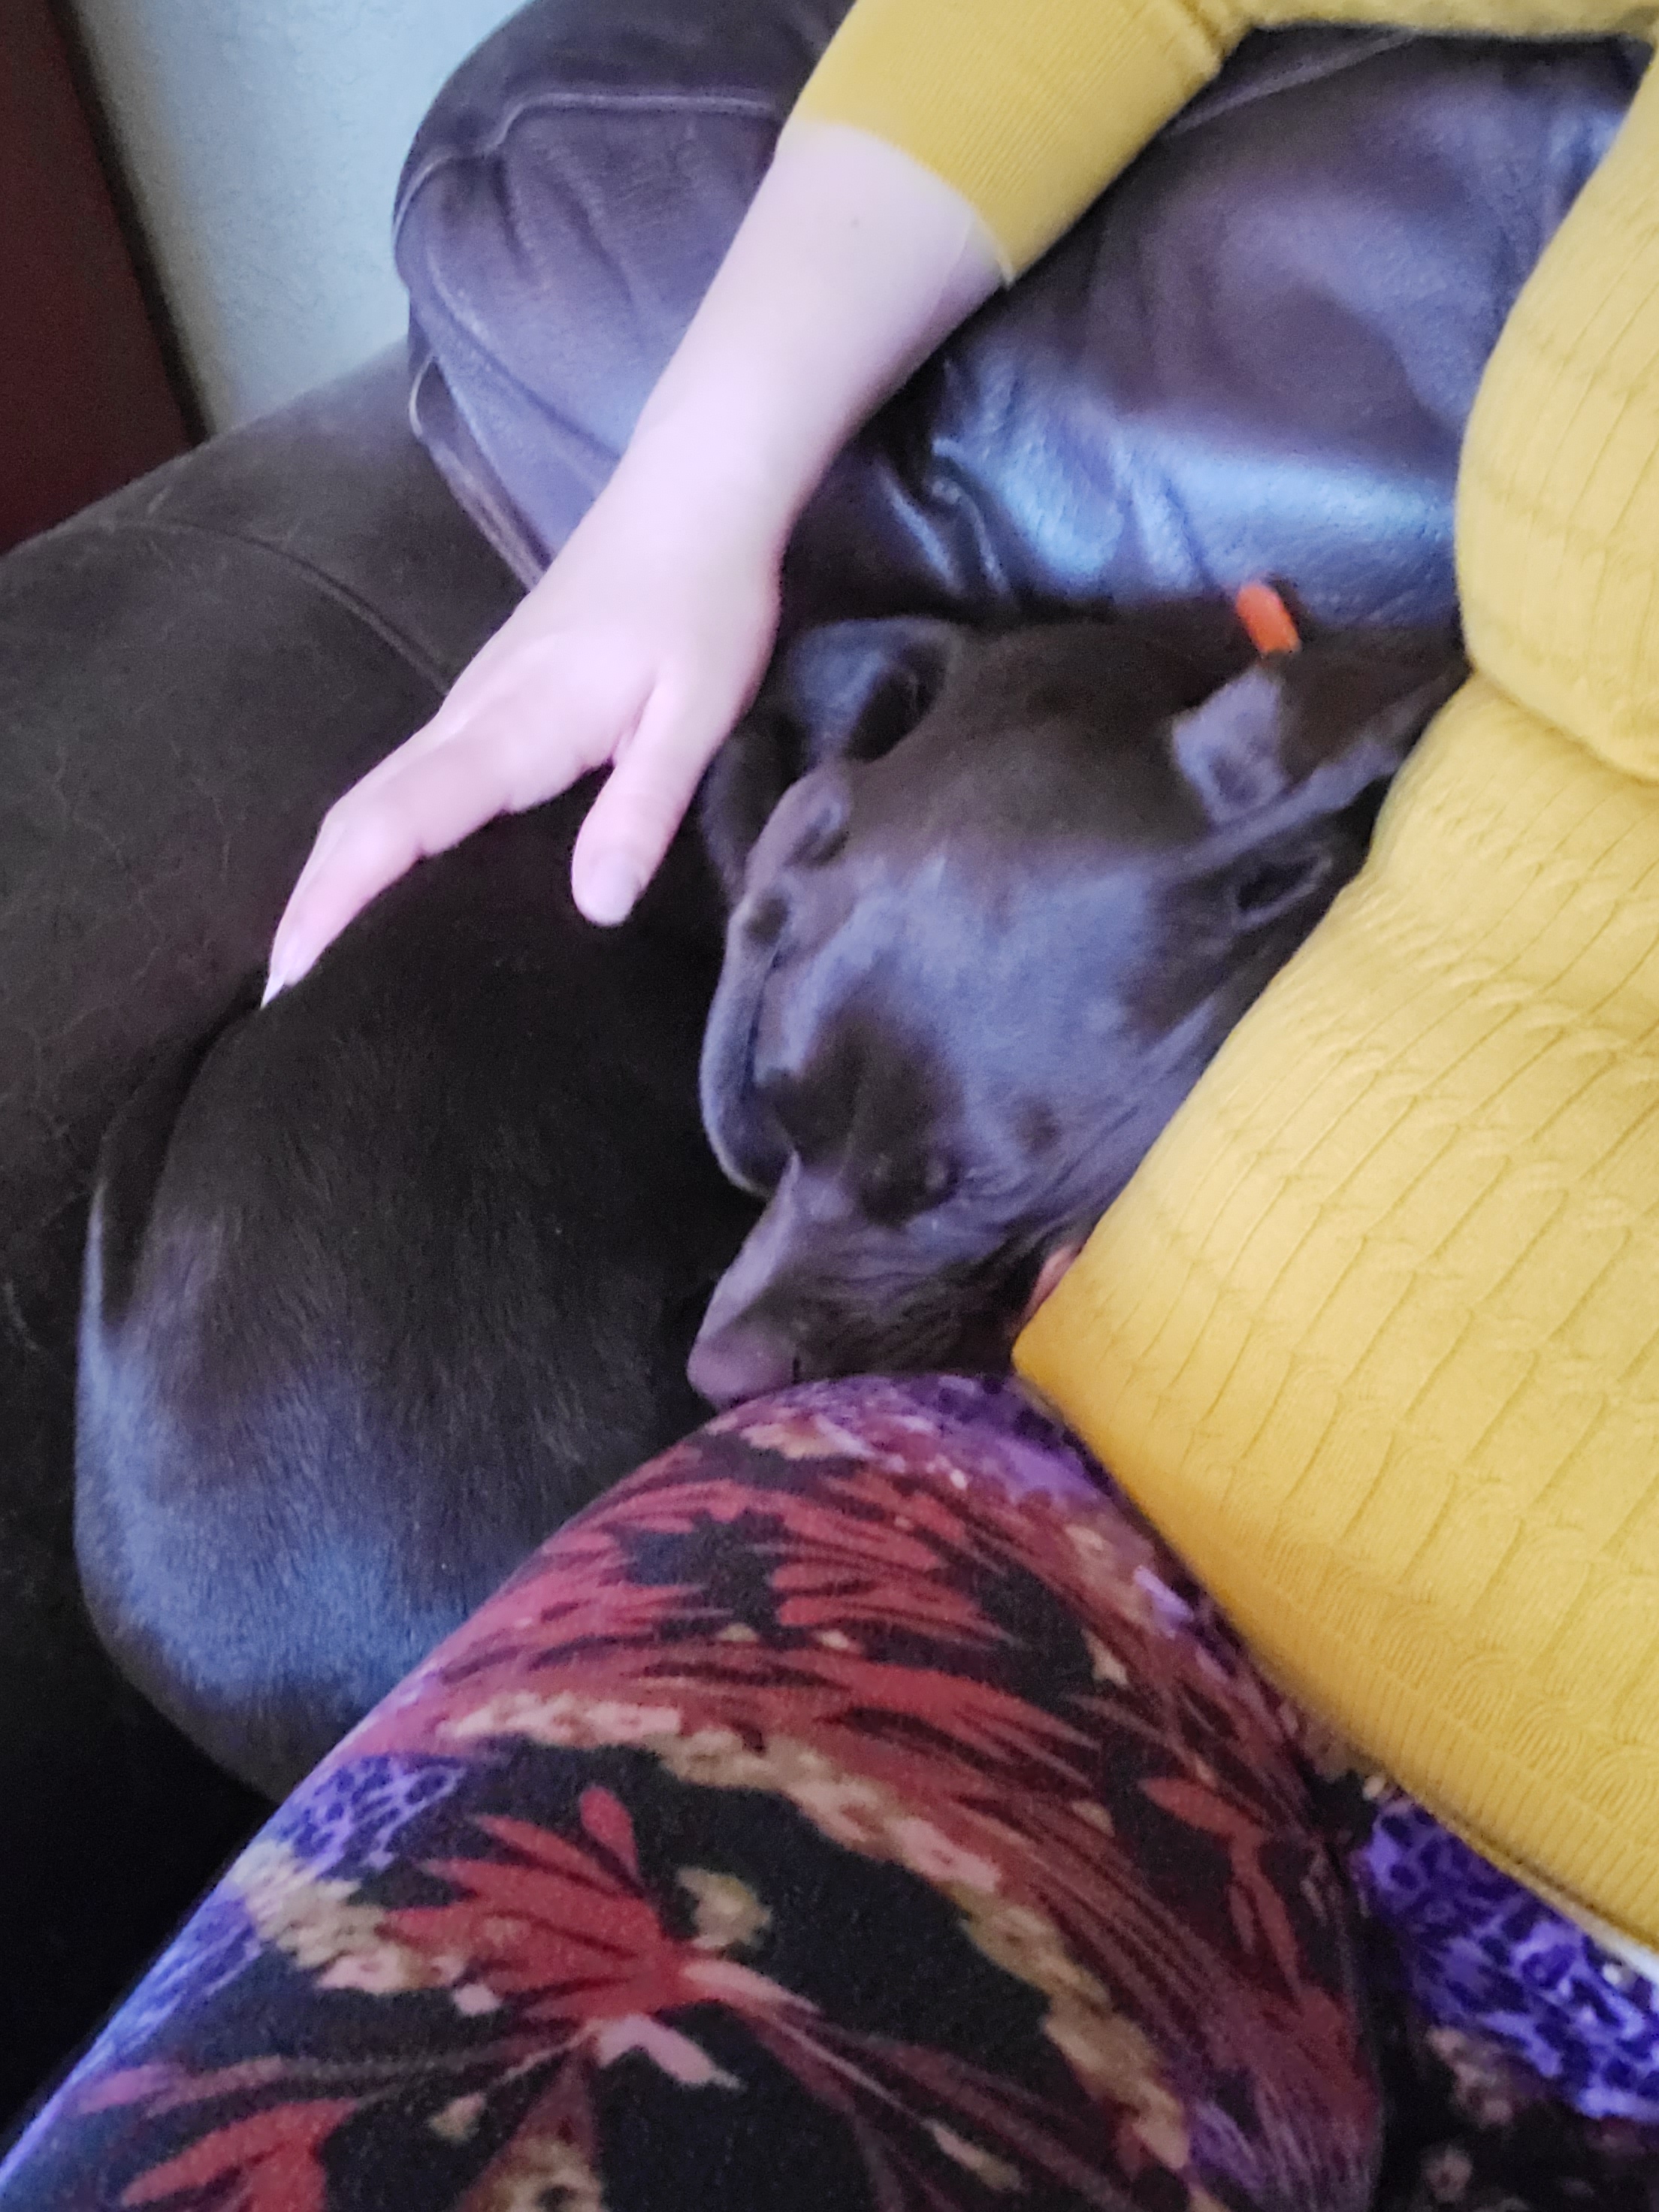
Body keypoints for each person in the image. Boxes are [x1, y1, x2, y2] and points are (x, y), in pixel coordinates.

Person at [16, 0, 1652, 2204]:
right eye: (795, 1141)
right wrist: (668, 516)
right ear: (781, 898)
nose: (744, 1333)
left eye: (930, 1182)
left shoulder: (1201, 802)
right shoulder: (857, 834)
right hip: (781, 1580)